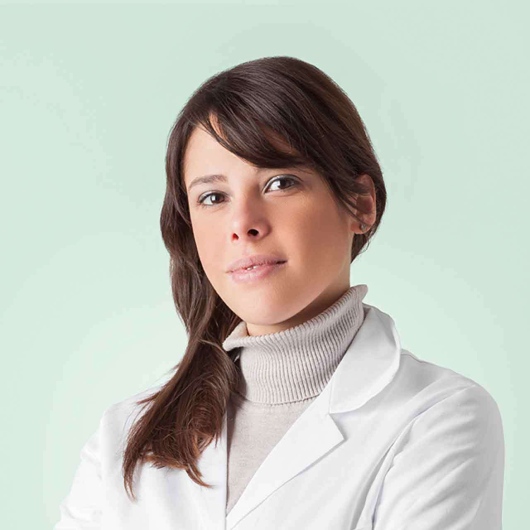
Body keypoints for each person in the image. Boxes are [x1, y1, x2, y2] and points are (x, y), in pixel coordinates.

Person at [54, 56, 505, 530]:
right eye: (213, 197)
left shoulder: (439, 417)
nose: (242, 224)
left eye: (279, 182)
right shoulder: (124, 437)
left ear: (360, 204)